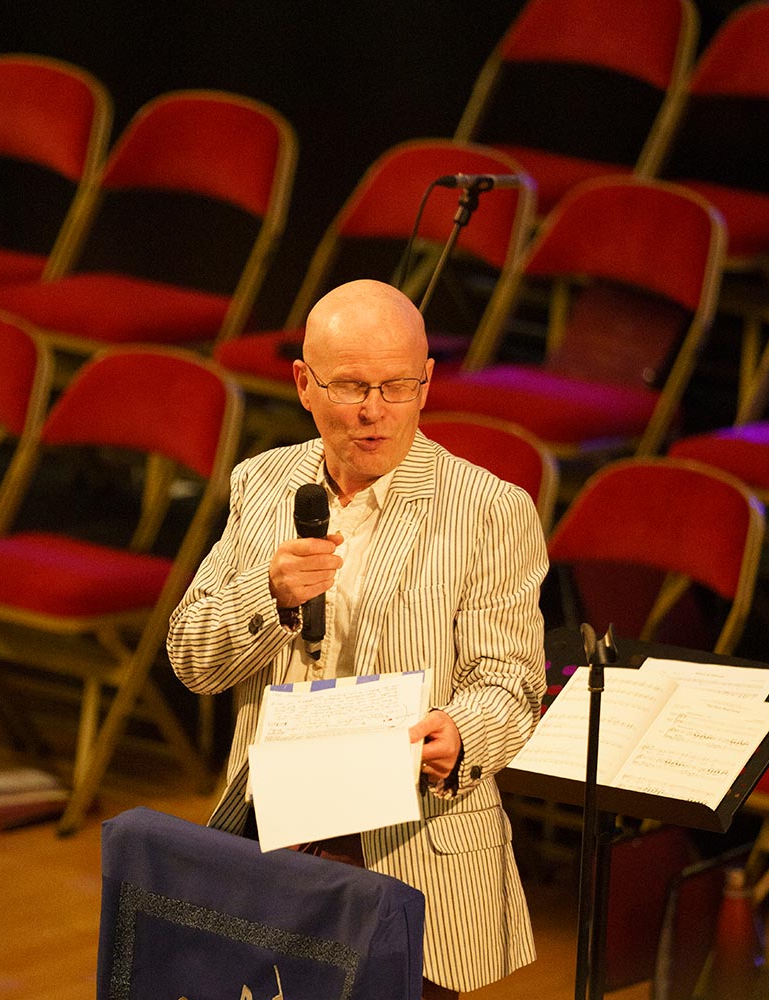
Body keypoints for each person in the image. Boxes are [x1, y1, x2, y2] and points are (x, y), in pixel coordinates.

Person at [167, 278, 548, 998]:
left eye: (397, 386)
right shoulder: (263, 483)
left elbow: (513, 683)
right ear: (304, 384)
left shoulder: (491, 510)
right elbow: (190, 655)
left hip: (413, 848)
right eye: (350, 387)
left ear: (428, 383)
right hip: (276, 833)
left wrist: (460, 734)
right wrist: (269, 595)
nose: (374, 411)